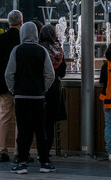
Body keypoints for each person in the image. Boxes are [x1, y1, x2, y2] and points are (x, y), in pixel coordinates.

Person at [5, 22, 55, 175]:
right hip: (38, 97)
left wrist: (14, 89)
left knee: (23, 130)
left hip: (21, 96)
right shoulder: (42, 51)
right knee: (40, 130)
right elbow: (51, 74)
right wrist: (43, 88)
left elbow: (9, 74)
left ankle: (21, 162)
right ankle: (45, 162)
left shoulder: (17, 50)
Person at [0, 10, 23, 162]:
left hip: (3, 84)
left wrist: (1, 77)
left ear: (8, 22)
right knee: (21, 118)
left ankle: (2, 150)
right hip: (21, 85)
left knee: (4, 116)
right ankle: (19, 151)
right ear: (21, 22)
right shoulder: (23, 40)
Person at [38, 24, 67, 158]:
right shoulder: (59, 50)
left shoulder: (39, 49)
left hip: (40, 88)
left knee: (39, 121)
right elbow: (62, 72)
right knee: (50, 122)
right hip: (54, 88)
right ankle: (46, 151)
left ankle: (39, 150)